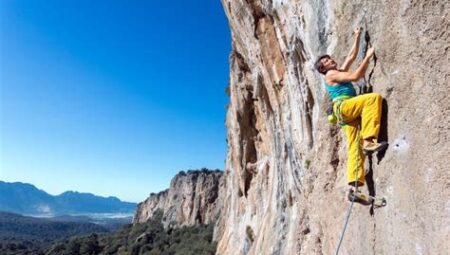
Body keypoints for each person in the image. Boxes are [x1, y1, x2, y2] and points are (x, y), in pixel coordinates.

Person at [314, 28, 388, 202]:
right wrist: (369, 56)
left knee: (355, 146)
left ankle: (354, 187)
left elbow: (350, 57)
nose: (331, 60)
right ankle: (370, 141)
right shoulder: (331, 74)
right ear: (323, 68)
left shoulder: (336, 72)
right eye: (326, 61)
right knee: (372, 99)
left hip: (345, 115)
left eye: (329, 58)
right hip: (344, 106)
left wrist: (357, 36)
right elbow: (355, 76)